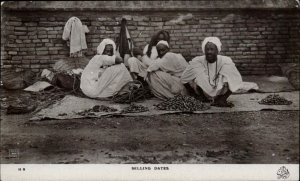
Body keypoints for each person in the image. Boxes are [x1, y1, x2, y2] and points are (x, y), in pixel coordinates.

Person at [181, 37, 243, 107]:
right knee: (197, 72)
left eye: (212, 49)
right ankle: (202, 98)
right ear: (204, 50)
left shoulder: (225, 60)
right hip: (203, 93)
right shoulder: (198, 61)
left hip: (221, 92)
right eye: (207, 49)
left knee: (228, 73)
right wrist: (194, 95)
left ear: (217, 51)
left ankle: (221, 100)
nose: (209, 52)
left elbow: (236, 79)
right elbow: (184, 78)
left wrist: (223, 97)